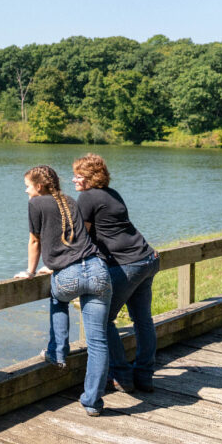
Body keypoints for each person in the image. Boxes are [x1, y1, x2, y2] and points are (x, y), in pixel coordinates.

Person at [15, 165, 111, 416]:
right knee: (98, 341)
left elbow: (35, 240)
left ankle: (57, 353)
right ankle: (92, 402)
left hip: (68, 274)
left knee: (58, 298)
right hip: (98, 269)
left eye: (27, 186)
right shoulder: (69, 200)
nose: (25, 191)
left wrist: (31, 271)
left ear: (38, 186)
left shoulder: (36, 203)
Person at [73, 153, 159, 393]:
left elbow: (81, 237)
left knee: (102, 320)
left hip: (126, 264)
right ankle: (144, 376)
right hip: (147, 258)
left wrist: (56, 262)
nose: (74, 180)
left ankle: (121, 375)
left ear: (90, 178)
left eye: (78, 176)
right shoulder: (113, 194)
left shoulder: (87, 198)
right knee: (143, 320)